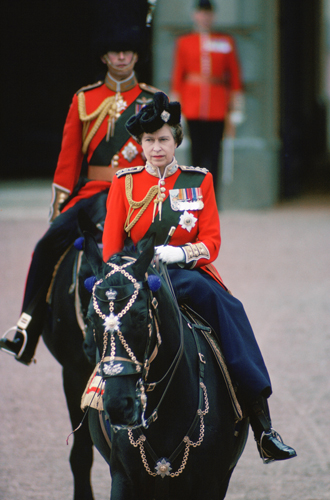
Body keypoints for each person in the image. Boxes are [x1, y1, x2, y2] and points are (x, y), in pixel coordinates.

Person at [102, 91, 297, 464]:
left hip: (187, 276)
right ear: (139, 144)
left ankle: (261, 421)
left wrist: (180, 253)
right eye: (148, 141)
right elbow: (112, 249)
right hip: (140, 280)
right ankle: (97, 400)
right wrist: (130, 272)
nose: (156, 148)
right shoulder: (124, 184)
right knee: (107, 323)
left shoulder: (198, 180)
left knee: (230, 309)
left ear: (177, 140)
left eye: (163, 139)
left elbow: (211, 242)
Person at [0, 1, 159, 365]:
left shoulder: (151, 103)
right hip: (91, 194)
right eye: (115, 51)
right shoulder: (84, 100)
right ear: (104, 56)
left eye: (128, 50)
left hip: (138, 194)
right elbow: (69, 160)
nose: (122, 57)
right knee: (46, 248)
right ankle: (27, 327)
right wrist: (60, 206)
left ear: (137, 54)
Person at [171, 0, 245, 190]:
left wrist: (236, 107)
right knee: (196, 156)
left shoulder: (225, 41)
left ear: (213, 16)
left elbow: (234, 76)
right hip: (193, 105)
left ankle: (213, 199)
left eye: (208, 14)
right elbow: (178, 77)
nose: (204, 17)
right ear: (195, 15)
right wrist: (175, 108)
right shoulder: (184, 42)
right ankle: (195, 195)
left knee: (215, 155)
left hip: (217, 106)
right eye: (201, 13)